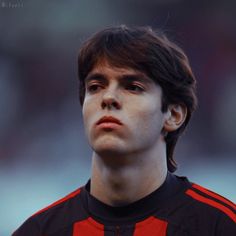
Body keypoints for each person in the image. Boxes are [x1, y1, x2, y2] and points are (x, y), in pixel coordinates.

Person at [13, 25, 235, 236]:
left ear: (173, 115)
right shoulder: (38, 231)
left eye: (133, 87)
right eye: (95, 87)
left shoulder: (220, 226)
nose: (108, 97)